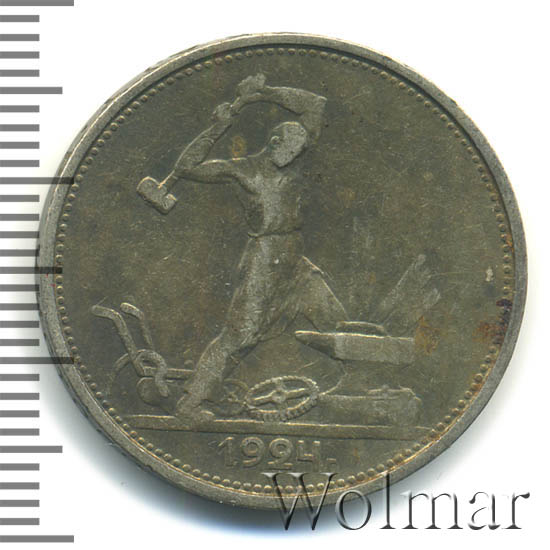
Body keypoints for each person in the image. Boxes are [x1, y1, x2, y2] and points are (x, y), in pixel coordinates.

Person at [161, 74, 348, 425]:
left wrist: (262, 94)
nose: (296, 155)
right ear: (274, 143)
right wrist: (217, 128)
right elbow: (186, 168)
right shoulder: (243, 170)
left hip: (294, 260)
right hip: (263, 260)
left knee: (336, 320)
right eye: (289, 149)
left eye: (300, 149)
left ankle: (357, 390)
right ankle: (190, 404)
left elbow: (316, 104)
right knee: (240, 334)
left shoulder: (298, 154)